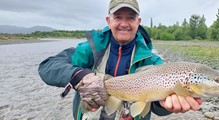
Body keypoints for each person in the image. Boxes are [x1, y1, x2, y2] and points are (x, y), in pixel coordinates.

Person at [38, 0, 202, 120]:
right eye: (118, 17)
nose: (124, 24)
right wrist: (78, 75)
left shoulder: (152, 62)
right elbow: (47, 67)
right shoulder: (91, 49)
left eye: (130, 18)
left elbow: (158, 108)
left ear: (138, 22)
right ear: (109, 21)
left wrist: (167, 106)